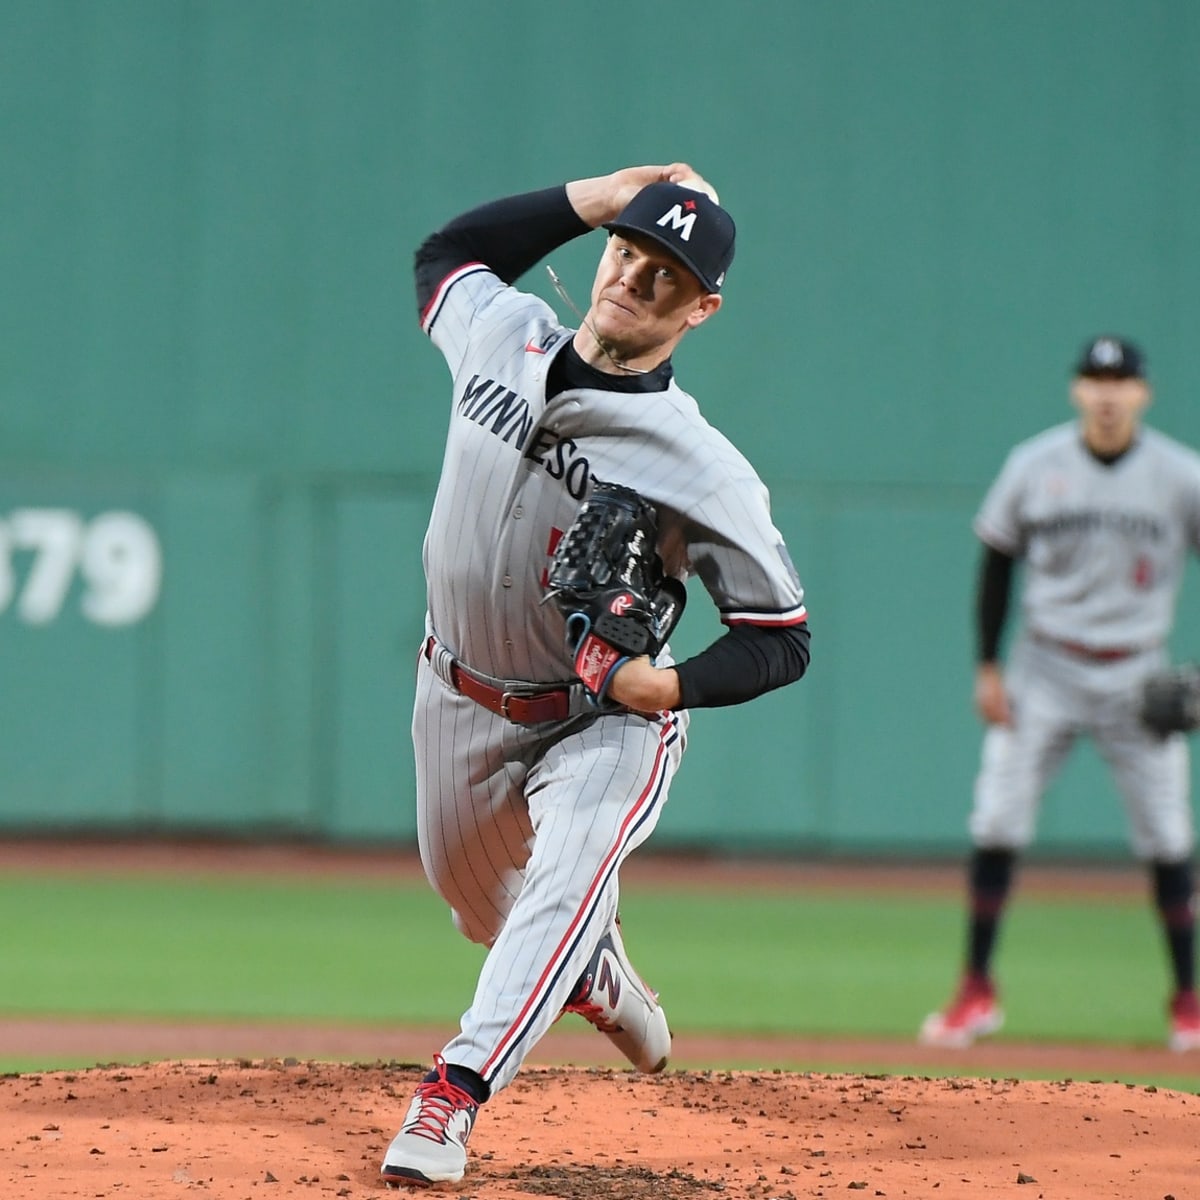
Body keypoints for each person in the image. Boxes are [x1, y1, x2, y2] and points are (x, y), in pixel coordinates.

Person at [381, 164, 811, 1187]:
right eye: (627, 252)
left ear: (702, 307)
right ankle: (593, 969)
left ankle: (453, 1094)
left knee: (565, 877)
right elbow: (445, 256)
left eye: (667, 274)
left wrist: (665, 691)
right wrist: (598, 192)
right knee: (479, 906)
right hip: (456, 695)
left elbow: (780, 632)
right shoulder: (506, 332)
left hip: (599, 719)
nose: (634, 278)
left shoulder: (699, 465)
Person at [920, 334, 1200, 1053]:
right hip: (1043, 667)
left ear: (1143, 393)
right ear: (1078, 389)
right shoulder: (1035, 464)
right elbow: (996, 564)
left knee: (1168, 835)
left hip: (1138, 670)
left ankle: (1187, 1003)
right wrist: (987, 665)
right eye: (1095, 379)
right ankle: (976, 991)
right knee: (996, 823)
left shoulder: (1179, 474)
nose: (1108, 392)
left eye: (1122, 381)